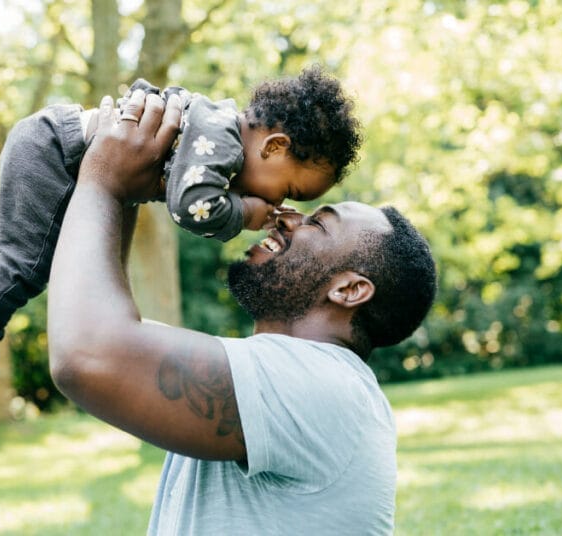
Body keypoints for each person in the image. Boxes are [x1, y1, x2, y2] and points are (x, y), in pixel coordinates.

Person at [46, 89, 437, 534]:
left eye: (318, 223)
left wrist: (104, 179)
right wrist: (131, 184)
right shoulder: (292, 373)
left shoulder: (317, 383)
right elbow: (103, 324)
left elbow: (87, 353)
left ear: (349, 290)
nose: (287, 216)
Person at [0, 66, 363, 388]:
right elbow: (191, 206)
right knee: (29, 265)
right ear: (275, 146)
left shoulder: (219, 132)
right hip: (53, 153)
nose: (278, 203)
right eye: (287, 189)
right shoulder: (222, 141)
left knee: (43, 244)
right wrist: (247, 213)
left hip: (53, 150)